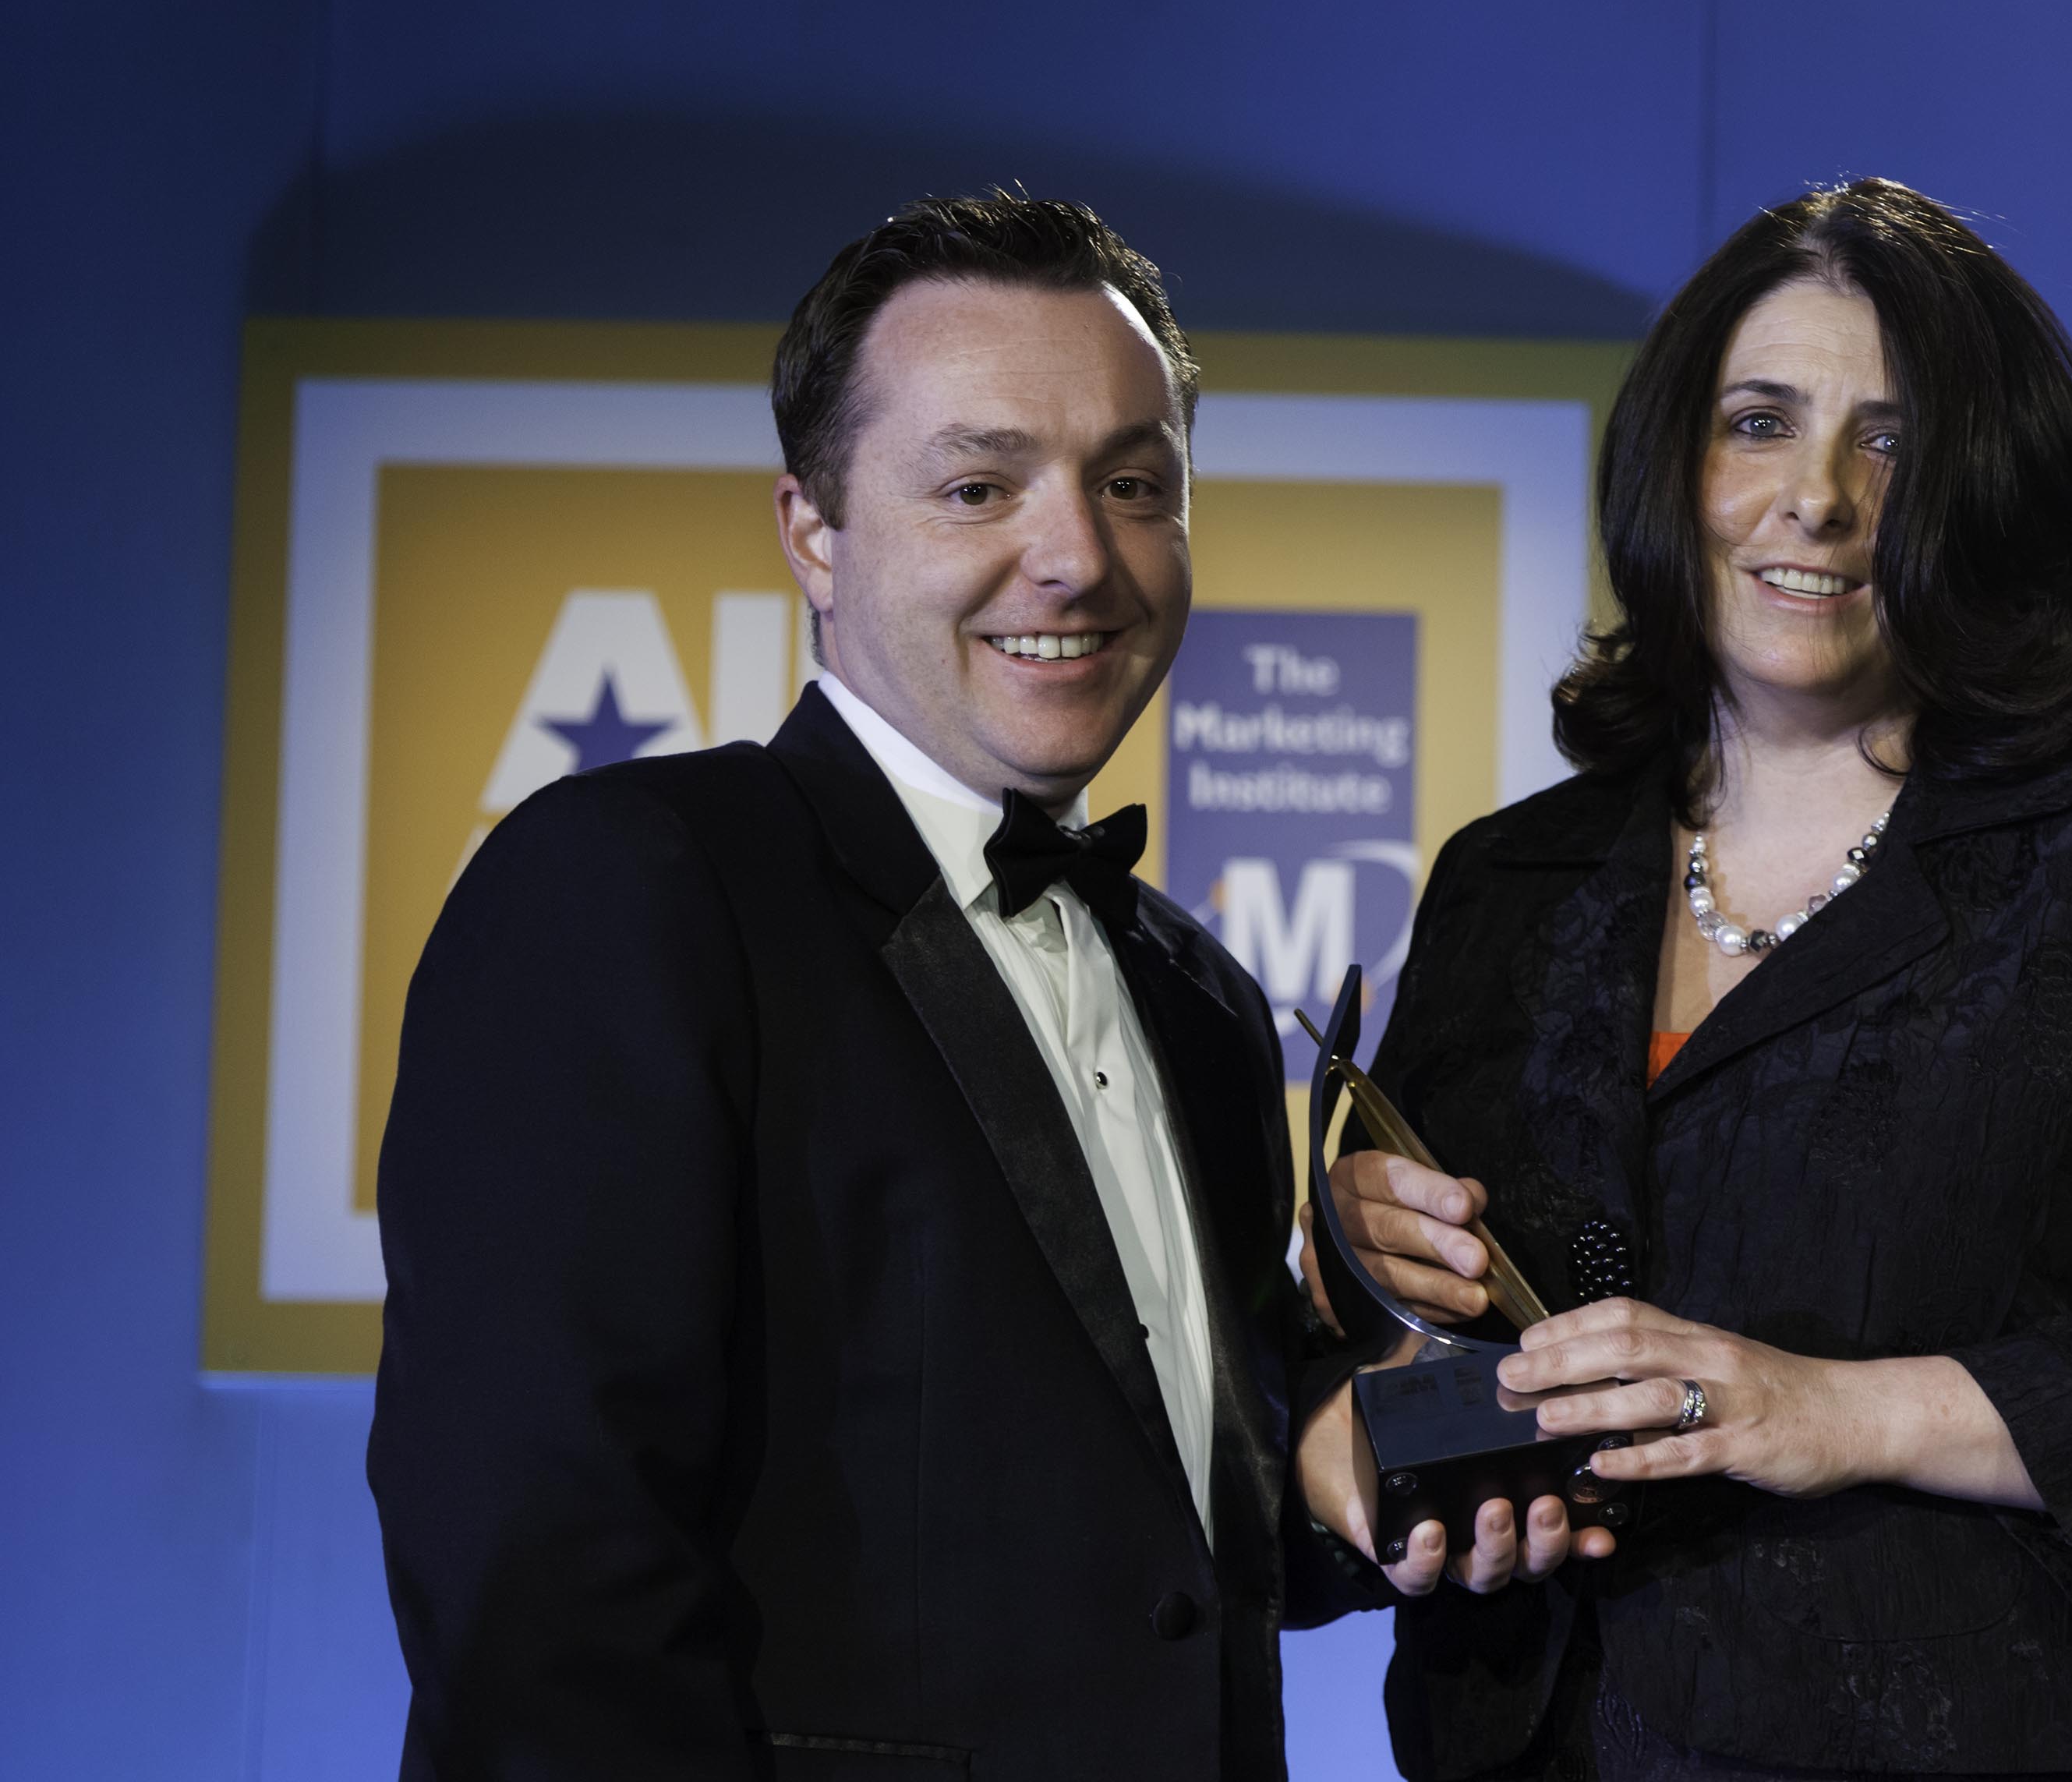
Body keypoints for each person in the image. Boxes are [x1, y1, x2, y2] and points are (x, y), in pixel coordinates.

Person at [1323, 179, 2072, 1780]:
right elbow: (1413, 1381)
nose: (1818, 499)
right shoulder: (1510, 879)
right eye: (1758, 423)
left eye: (1891, 443)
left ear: (1992, 494)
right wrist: (1371, 1281)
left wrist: (1836, 1412)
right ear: (1671, 464)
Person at [370, 194, 1384, 1780]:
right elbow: (541, 1589)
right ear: (813, 533)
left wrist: (1391, 1442)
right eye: (980, 487)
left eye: (1135, 485)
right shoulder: (631, 889)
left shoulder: (1202, 999)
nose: (1078, 557)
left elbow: (1165, 1557)